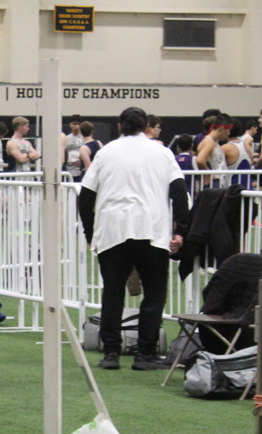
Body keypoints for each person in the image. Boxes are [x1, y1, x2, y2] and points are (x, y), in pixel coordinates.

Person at [77, 106, 190, 371]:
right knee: (154, 293)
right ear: (146, 126)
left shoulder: (106, 153)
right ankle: (145, 354)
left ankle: (111, 352)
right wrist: (180, 231)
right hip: (152, 231)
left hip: (112, 232)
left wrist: (90, 233)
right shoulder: (162, 153)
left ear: (120, 125)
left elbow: (86, 196)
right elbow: (179, 192)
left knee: (113, 292)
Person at [195, 112, 231, 189]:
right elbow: (200, 160)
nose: (229, 133)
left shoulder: (213, 142)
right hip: (214, 184)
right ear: (221, 129)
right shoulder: (209, 142)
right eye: (228, 130)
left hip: (218, 182)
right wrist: (210, 174)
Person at [63, 114, 84, 180]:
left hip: (80, 171)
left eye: (79, 124)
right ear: (70, 124)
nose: (77, 126)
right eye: (74, 124)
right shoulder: (66, 138)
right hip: (68, 171)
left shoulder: (84, 138)